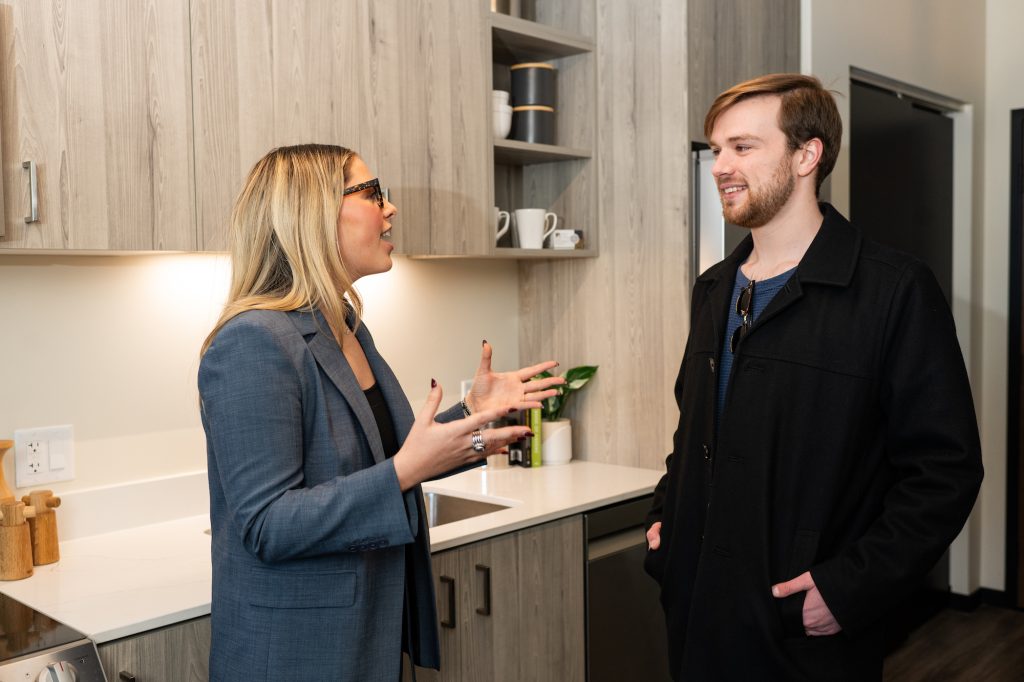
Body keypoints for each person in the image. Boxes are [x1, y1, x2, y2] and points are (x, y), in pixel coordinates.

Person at [643, 74, 983, 680]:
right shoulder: (713, 290)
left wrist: (850, 587)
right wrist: (667, 516)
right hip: (697, 617)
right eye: (716, 148)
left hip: (801, 633)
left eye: (743, 147)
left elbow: (945, 472)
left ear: (807, 154)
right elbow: (693, 429)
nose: (721, 165)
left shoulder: (892, 290)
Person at [198, 144, 563, 681]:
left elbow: (382, 457)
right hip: (297, 654)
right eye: (371, 194)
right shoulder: (255, 341)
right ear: (311, 213)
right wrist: (407, 470)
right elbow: (269, 525)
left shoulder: (343, 325)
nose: (389, 208)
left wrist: (474, 415)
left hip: (363, 632)